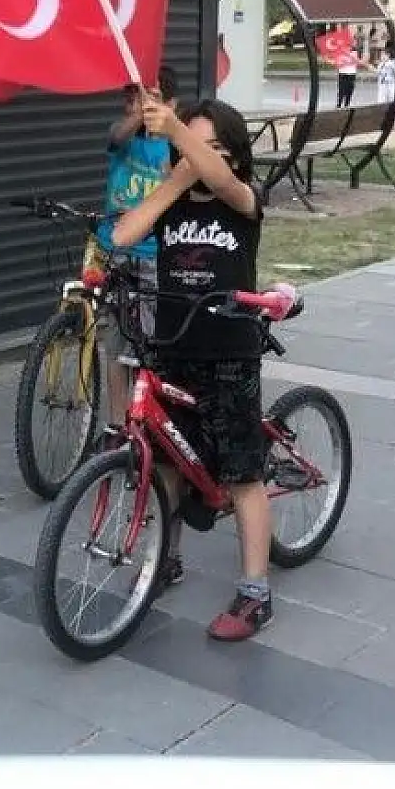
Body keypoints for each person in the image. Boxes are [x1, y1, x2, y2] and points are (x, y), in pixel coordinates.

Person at [112, 98, 272, 641]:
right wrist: (174, 180)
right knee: (167, 463)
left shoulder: (242, 201)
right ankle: (165, 557)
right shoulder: (176, 198)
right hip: (173, 345)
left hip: (229, 350)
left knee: (242, 474)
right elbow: (123, 235)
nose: (196, 158)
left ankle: (256, 590)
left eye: (211, 149)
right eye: (188, 148)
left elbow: (223, 182)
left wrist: (180, 131)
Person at [95, 68, 178, 425]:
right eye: (131, 97)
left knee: (149, 347)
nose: (140, 104)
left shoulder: (174, 146)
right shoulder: (125, 138)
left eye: (151, 96)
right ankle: (116, 425)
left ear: (171, 104)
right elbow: (115, 135)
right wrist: (136, 112)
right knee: (113, 342)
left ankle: (149, 424)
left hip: (152, 256)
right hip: (114, 250)